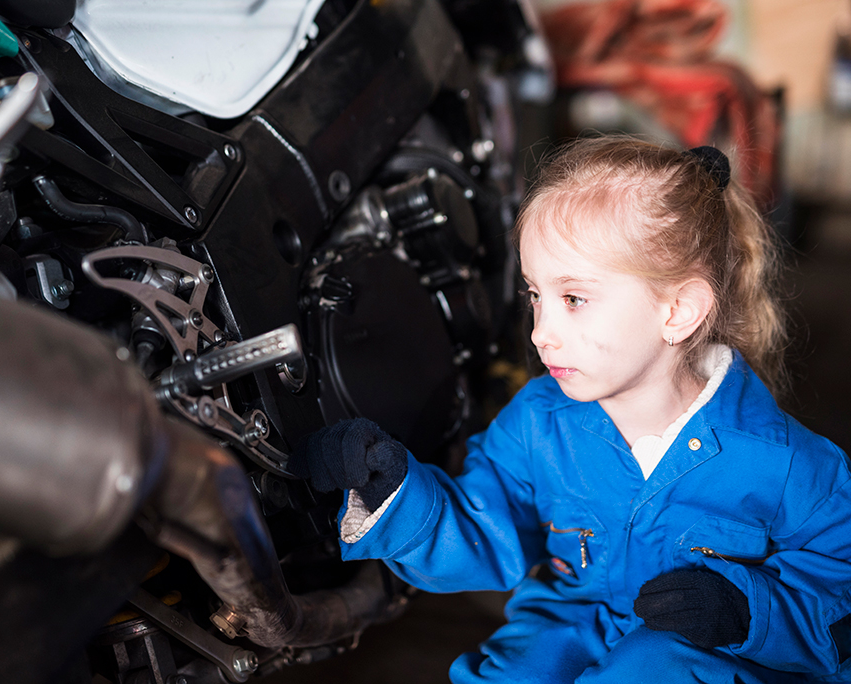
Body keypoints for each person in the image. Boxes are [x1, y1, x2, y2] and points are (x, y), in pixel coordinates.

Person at [288, 136, 851, 682]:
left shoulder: (790, 465)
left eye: (574, 298)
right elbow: (480, 524)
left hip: (702, 657)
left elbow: (840, 593)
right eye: (536, 295)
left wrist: (747, 612)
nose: (541, 333)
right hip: (564, 631)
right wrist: (393, 491)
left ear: (678, 311)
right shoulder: (538, 422)